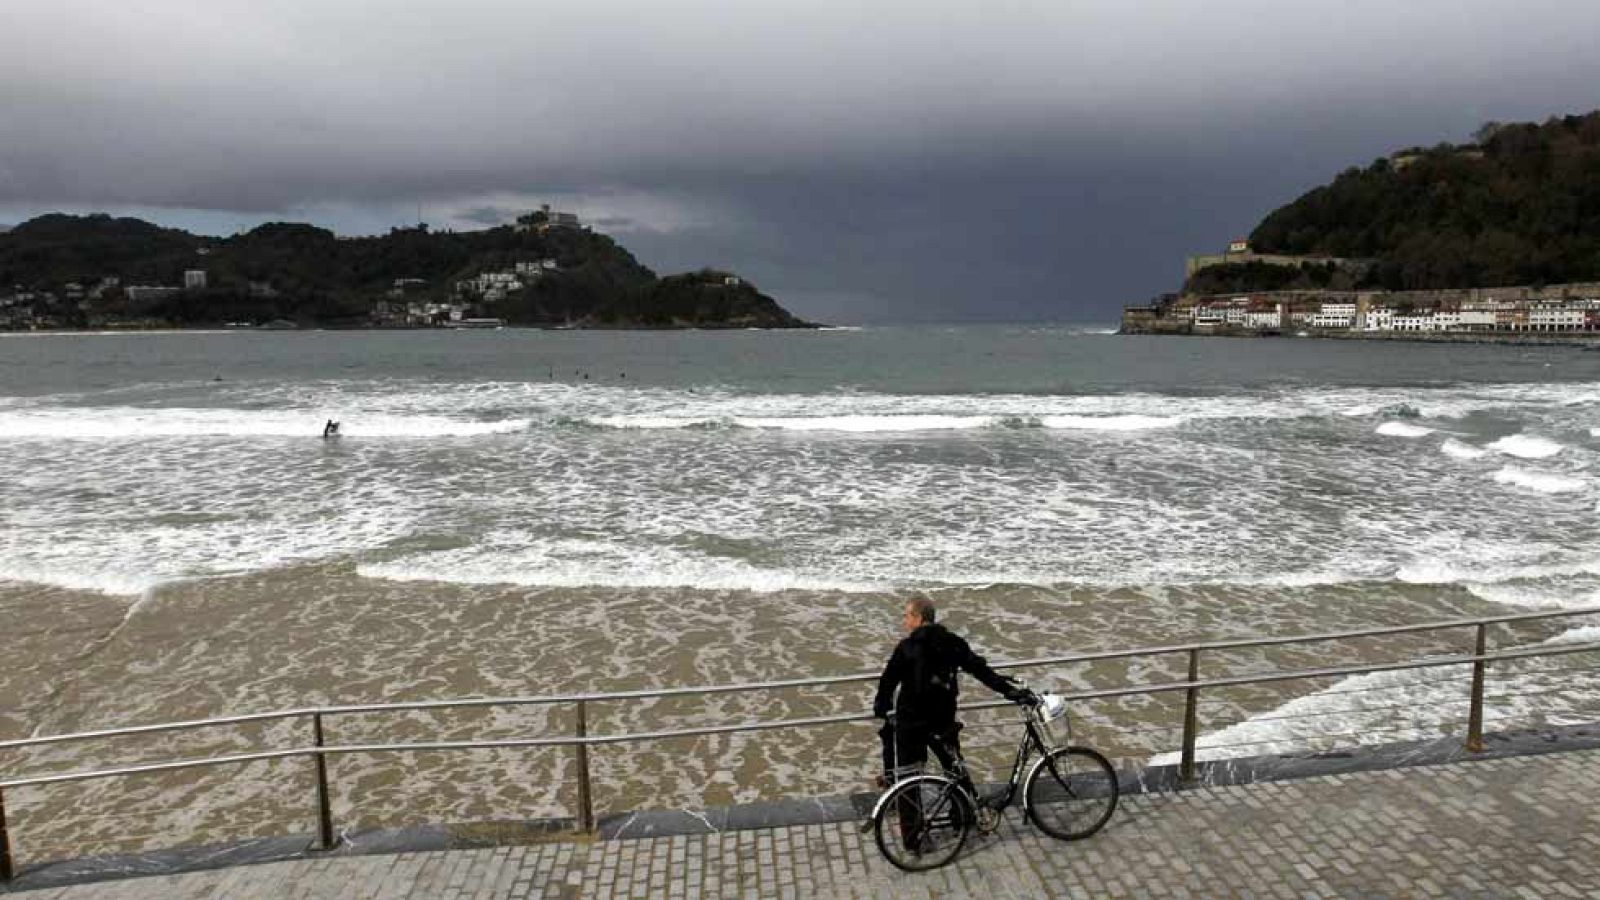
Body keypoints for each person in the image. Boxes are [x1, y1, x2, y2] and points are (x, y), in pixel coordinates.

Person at [873, 596, 1036, 798]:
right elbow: (981, 671)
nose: (904, 621)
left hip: (911, 721)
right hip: (942, 719)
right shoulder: (952, 643)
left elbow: (888, 681)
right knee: (954, 771)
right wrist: (1010, 691)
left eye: (906, 616)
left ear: (918, 617)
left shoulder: (907, 647)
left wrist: (883, 708)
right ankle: (964, 816)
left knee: (908, 778)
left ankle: (912, 826)